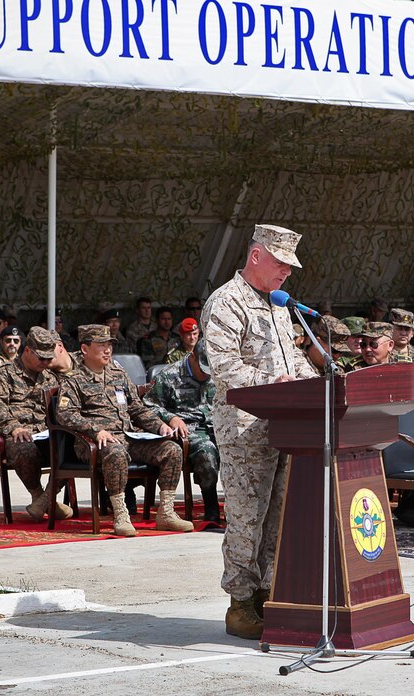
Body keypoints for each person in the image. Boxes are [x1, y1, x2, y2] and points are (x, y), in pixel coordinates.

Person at [201, 223, 317, 640]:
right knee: (248, 516)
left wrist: (315, 381)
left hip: (285, 425)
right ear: (256, 256)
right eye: (281, 263)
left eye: (290, 266)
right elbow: (225, 370)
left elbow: (295, 361)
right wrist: (276, 386)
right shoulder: (226, 303)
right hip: (244, 427)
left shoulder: (280, 305)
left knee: (279, 513)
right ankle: (240, 603)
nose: (287, 272)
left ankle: (271, 592)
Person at [56, 324, 193, 536]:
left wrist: (160, 426)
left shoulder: (118, 373)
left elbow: (136, 408)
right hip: (94, 443)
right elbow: (65, 414)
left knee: (171, 450)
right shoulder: (73, 379)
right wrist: (95, 430)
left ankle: (166, 512)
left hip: (129, 436)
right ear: (85, 349)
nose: (107, 349)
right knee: (116, 452)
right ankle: (120, 514)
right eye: (101, 345)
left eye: (109, 344)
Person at [0, 327, 73, 521]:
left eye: (48, 359)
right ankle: (39, 496)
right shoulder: (3, 374)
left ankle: (43, 502)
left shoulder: (50, 376)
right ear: (27, 351)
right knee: (23, 445)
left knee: (72, 444)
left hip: (43, 433)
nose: (46, 363)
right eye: (41, 358)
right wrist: (13, 426)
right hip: (8, 435)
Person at [145, 343, 221, 522]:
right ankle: (211, 507)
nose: (206, 374)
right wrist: (170, 418)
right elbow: (148, 406)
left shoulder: (218, 374)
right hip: (187, 429)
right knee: (206, 449)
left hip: (217, 426)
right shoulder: (170, 375)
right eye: (203, 368)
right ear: (192, 356)